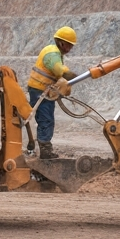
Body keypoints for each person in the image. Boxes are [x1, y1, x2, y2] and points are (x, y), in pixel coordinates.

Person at [26, 26, 79, 159]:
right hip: (40, 92)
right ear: (62, 43)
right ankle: (45, 151)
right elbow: (60, 71)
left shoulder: (53, 52)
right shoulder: (52, 54)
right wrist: (78, 76)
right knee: (46, 120)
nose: (70, 49)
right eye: (69, 45)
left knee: (46, 119)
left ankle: (44, 148)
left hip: (41, 91)